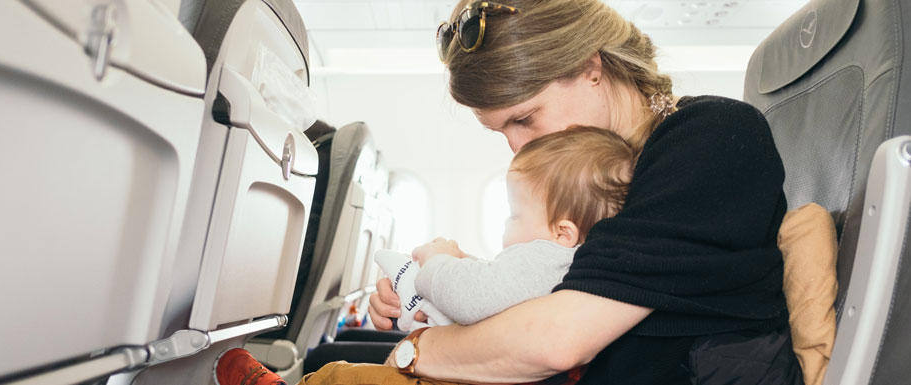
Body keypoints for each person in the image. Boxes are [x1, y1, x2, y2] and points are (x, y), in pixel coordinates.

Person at [359, 0, 801, 383]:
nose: (516, 150)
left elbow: (556, 341)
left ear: (591, 69)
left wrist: (419, 349)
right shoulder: (592, 176)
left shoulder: (712, 138)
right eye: (501, 132)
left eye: (525, 118)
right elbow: (568, 283)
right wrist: (435, 291)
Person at [298, 126, 635, 385]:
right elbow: (496, 293)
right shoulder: (566, 264)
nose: (507, 225)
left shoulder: (547, 257)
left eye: (514, 216)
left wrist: (438, 260)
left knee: (336, 377)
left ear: (563, 233)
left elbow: (472, 299)